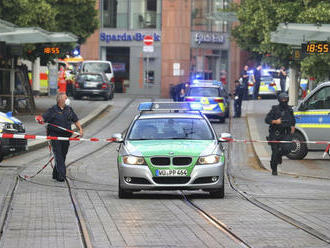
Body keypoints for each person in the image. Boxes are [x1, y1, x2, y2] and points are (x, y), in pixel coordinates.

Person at [35, 93, 83, 182]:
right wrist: (39, 119)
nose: (67, 99)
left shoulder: (69, 109)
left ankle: (55, 174)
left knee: (63, 155)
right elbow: (43, 118)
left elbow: (75, 120)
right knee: (58, 156)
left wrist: (80, 130)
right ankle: (62, 175)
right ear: (60, 100)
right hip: (55, 137)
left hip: (66, 137)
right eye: (66, 98)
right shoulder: (52, 110)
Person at [265, 92, 295, 176]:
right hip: (275, 133)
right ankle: (274, 169)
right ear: (279, 100)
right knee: (275, 152)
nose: (284, 101)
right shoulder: (275, 109)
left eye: (286, 99)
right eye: (283, 99)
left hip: (286, 133)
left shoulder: (290, 109)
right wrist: (275, 121)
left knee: (288, 149)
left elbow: (293, 120)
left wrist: (292, 128)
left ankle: (279, 156)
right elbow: (267, 119)